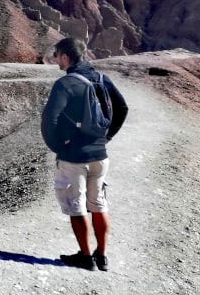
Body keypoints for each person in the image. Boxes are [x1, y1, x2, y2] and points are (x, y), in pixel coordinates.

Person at [41, 37, 129, 271]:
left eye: (57, 55)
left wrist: (57, 147)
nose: (56, 60)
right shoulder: (101, 79)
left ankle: (85, 257)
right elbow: (122, 108)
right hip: (101, 156)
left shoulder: (65, 83)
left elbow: (50, 118)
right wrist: (107, 138)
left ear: (65, 57)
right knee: (98, 204)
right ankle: (102, 256)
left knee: (76, 205)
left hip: (74, 158)